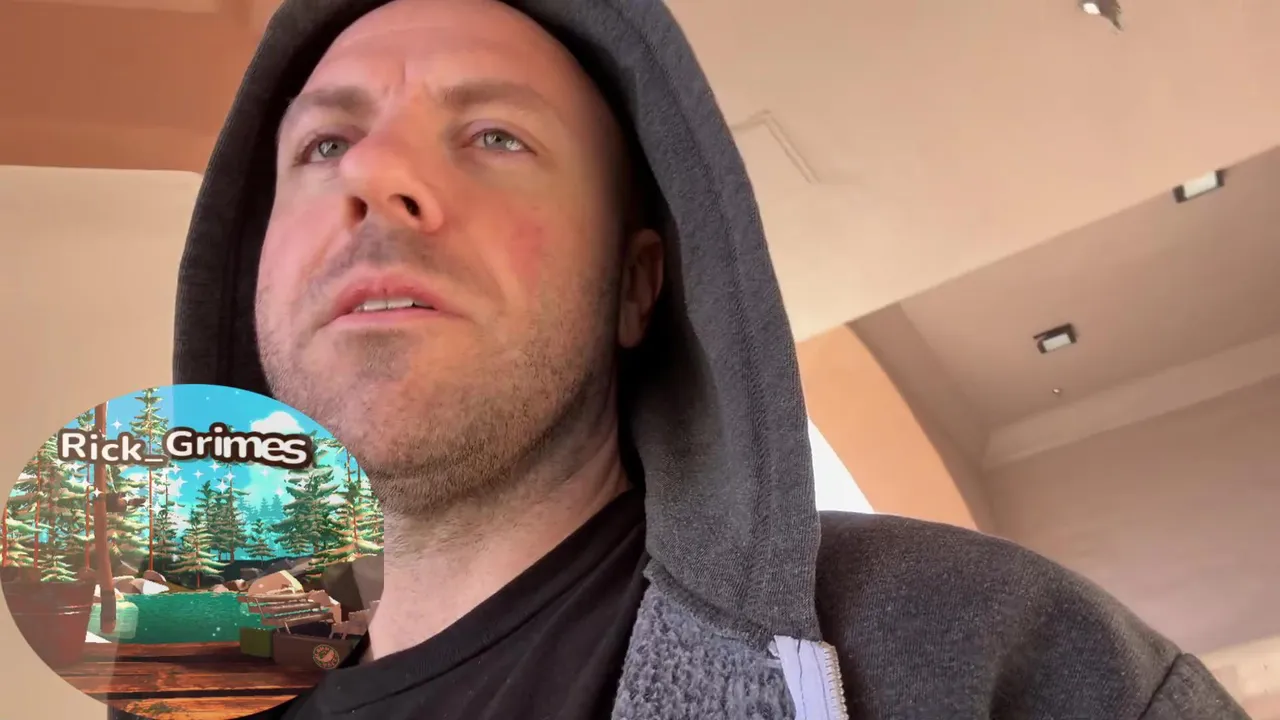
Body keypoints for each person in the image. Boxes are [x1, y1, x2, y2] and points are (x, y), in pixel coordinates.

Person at [159, 0, 1250, 717]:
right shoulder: (180, 677)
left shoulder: (988, 649)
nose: (375, 175)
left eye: (496, 136)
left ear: (638, 285)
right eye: (324, 144)